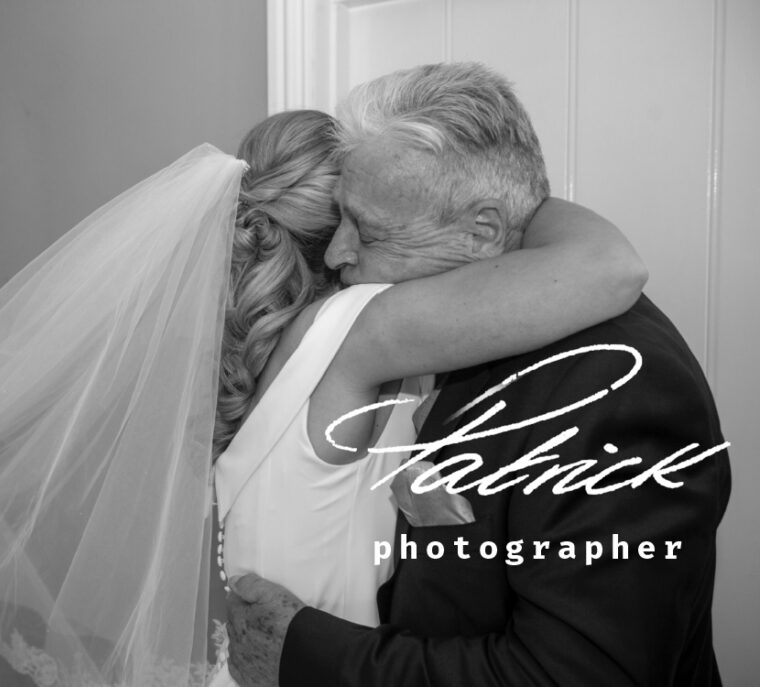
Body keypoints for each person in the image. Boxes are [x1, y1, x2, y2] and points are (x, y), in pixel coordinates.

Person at [0, 104, 641, 687]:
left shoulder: (237, 338)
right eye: (366, 221)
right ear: (338, 238)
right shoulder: (362, 328)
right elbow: (608, 266)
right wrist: (517, 205)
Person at [226, 63, 730, 687]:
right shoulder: (431, 332)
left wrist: (304, 651)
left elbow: (576, 675)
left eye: (370, 230)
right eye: (338, 220)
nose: (337, 254)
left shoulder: (614, 390)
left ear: (483, 231)